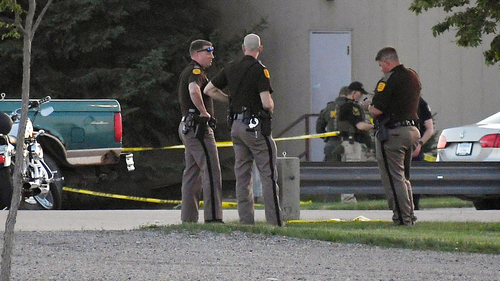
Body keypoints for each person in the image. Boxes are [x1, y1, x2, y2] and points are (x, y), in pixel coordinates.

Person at [204, 33, 283, 226]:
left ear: (243, 48)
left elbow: (209, 90)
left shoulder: (231, 67)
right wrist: (271, 104)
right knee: (268, 174)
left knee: (242, 176)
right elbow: (266, 103)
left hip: (236, 126)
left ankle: (246, 221)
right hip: (255, 127)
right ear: (260, 49)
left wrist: (231, 101)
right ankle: (275, 222)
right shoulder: (260, 70)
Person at [368, 46, 421, 226]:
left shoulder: (388, 80)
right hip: (412, 131)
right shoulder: (413, 76)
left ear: (387, 62)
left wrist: (366, 105)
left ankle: (402, 219)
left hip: (393, 134)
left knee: (393, 178)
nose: (381, 69)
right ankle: (410, 215)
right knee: (404, 177)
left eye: (381, 65)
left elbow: (376, 109)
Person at [177, 39, 224, 223]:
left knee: (192, 174)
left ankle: (188, 219)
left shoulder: (189, 71)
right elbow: (194, 90)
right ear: (196, 54)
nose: (212, 56)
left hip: (188, 127)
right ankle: (213, 218)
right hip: (198, 128)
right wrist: (204, 112)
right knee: (211, 170)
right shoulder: (196, 71)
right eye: (208, 51)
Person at [316, 86, 350, 162]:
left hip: (331, 144)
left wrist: (326, 137)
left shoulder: (329, 107)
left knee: (331, 171)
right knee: (350, 171)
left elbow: (319, 129)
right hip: (348, 144)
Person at [411, 96, 434, 209]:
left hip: (415, 145)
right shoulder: (396, 100)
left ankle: (415, 205)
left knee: (415, 176)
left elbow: (429, 129)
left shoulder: (421, 103)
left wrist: (419, 144)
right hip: (398, 144)